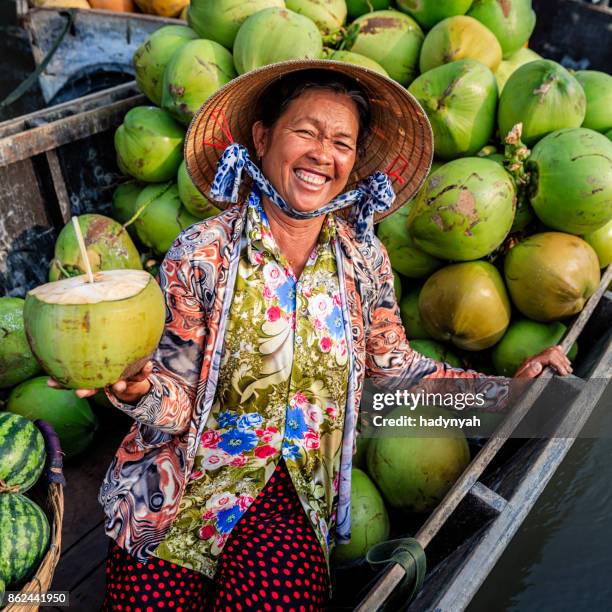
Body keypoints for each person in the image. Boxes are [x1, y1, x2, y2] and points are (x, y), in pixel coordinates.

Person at [48, 60, 572, 611]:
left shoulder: (363, 258)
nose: (323, 152)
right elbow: (176, 404)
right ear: (262, 137)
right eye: (306, 131)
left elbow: (396, 374)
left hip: (290, 497)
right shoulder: (200, 253)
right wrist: (136, 390)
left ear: (352, 160)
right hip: (173, 491)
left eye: (341, 141)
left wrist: (508, 395)